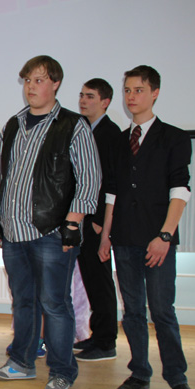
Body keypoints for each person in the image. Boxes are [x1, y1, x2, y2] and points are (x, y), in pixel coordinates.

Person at [0, 55, 100, 389]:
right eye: (27, 81)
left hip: (52, 232)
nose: (31, 87)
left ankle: (62, 373)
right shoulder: (13, 124)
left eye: (38, 80)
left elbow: (89, 179)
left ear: (55, 84)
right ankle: (21, 362)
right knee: (23, 301)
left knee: (55, 304)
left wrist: (74, 222)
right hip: (13, 231)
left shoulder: (73, 125)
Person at [99, 65, 195, 389]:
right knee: (133, 312)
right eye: (127, 90)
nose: (131, 97)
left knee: (162, 311)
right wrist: (105, 235)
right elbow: (112, 193)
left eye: (138, 90)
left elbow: (180, 190)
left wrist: (165, 236)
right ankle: (139, 373)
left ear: (155, 93)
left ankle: (178, 378)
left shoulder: (174, 138)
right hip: (124, 239)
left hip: (158, 240)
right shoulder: (119, 141)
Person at [72, 78, 122, 362]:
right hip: (82, 218)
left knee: (101, 280)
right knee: (90, 279)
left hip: (97, 221)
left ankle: (106, 342)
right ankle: (97, 335)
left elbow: (111, 181)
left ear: (105, 102)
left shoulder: (110, 134)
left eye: (90, 96)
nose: (83, 100)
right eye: (81, 95)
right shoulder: (83, 129)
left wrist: (102, 221)